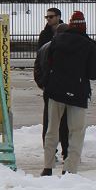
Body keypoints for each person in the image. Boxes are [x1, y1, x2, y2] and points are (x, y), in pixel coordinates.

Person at [41, 10, 96, 175]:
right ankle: (70, 169)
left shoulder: (57, 40)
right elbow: (93, 74)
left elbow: (48, 63)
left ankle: (47, 166)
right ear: (84, 26)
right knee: (76, 132)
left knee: (52, 129)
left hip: (55, 91)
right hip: (78, 93)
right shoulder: (89, 45)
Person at [36, 8, 69, 160]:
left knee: (65, 120)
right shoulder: (45, 35)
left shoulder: (67, 33)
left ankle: (66, 150)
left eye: (51, 17)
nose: (48, 19)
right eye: (46, 17)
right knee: (49, 120)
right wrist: (42, 82)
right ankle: (50, 152)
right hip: (49, 86)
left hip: (66, 85)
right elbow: (39, 60)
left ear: (58, 17)